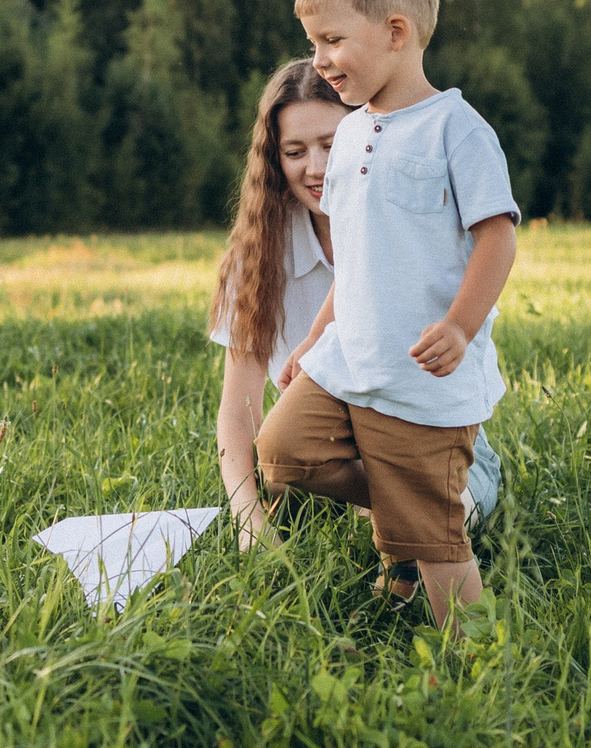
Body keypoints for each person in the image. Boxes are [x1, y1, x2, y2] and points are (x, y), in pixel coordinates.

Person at [256, 0, 520, 625]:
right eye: (313, 43)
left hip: (418, 375)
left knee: (438, 550)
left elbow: (498, 235)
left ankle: (470, 656)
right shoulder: (349, 133)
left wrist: (461, 326)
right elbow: (357, 256)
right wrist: (315, 341)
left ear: (396, 31)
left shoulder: (456, 130)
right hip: (350, 359)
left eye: (331, 41)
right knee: (283, 450)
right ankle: (412, 511)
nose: (321, 61)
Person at [209, 61, 501, 553]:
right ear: (275, 161)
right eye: (295, 152)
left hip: (433, 446)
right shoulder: (258, 257)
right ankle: (390, 513)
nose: (317, 168)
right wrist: (248, 520)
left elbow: (493, 246)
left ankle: (407, 520)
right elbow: (239, 412)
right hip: (323, 458)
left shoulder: (406, 234)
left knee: (450, 522)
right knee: (280, 468)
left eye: (331, 144)